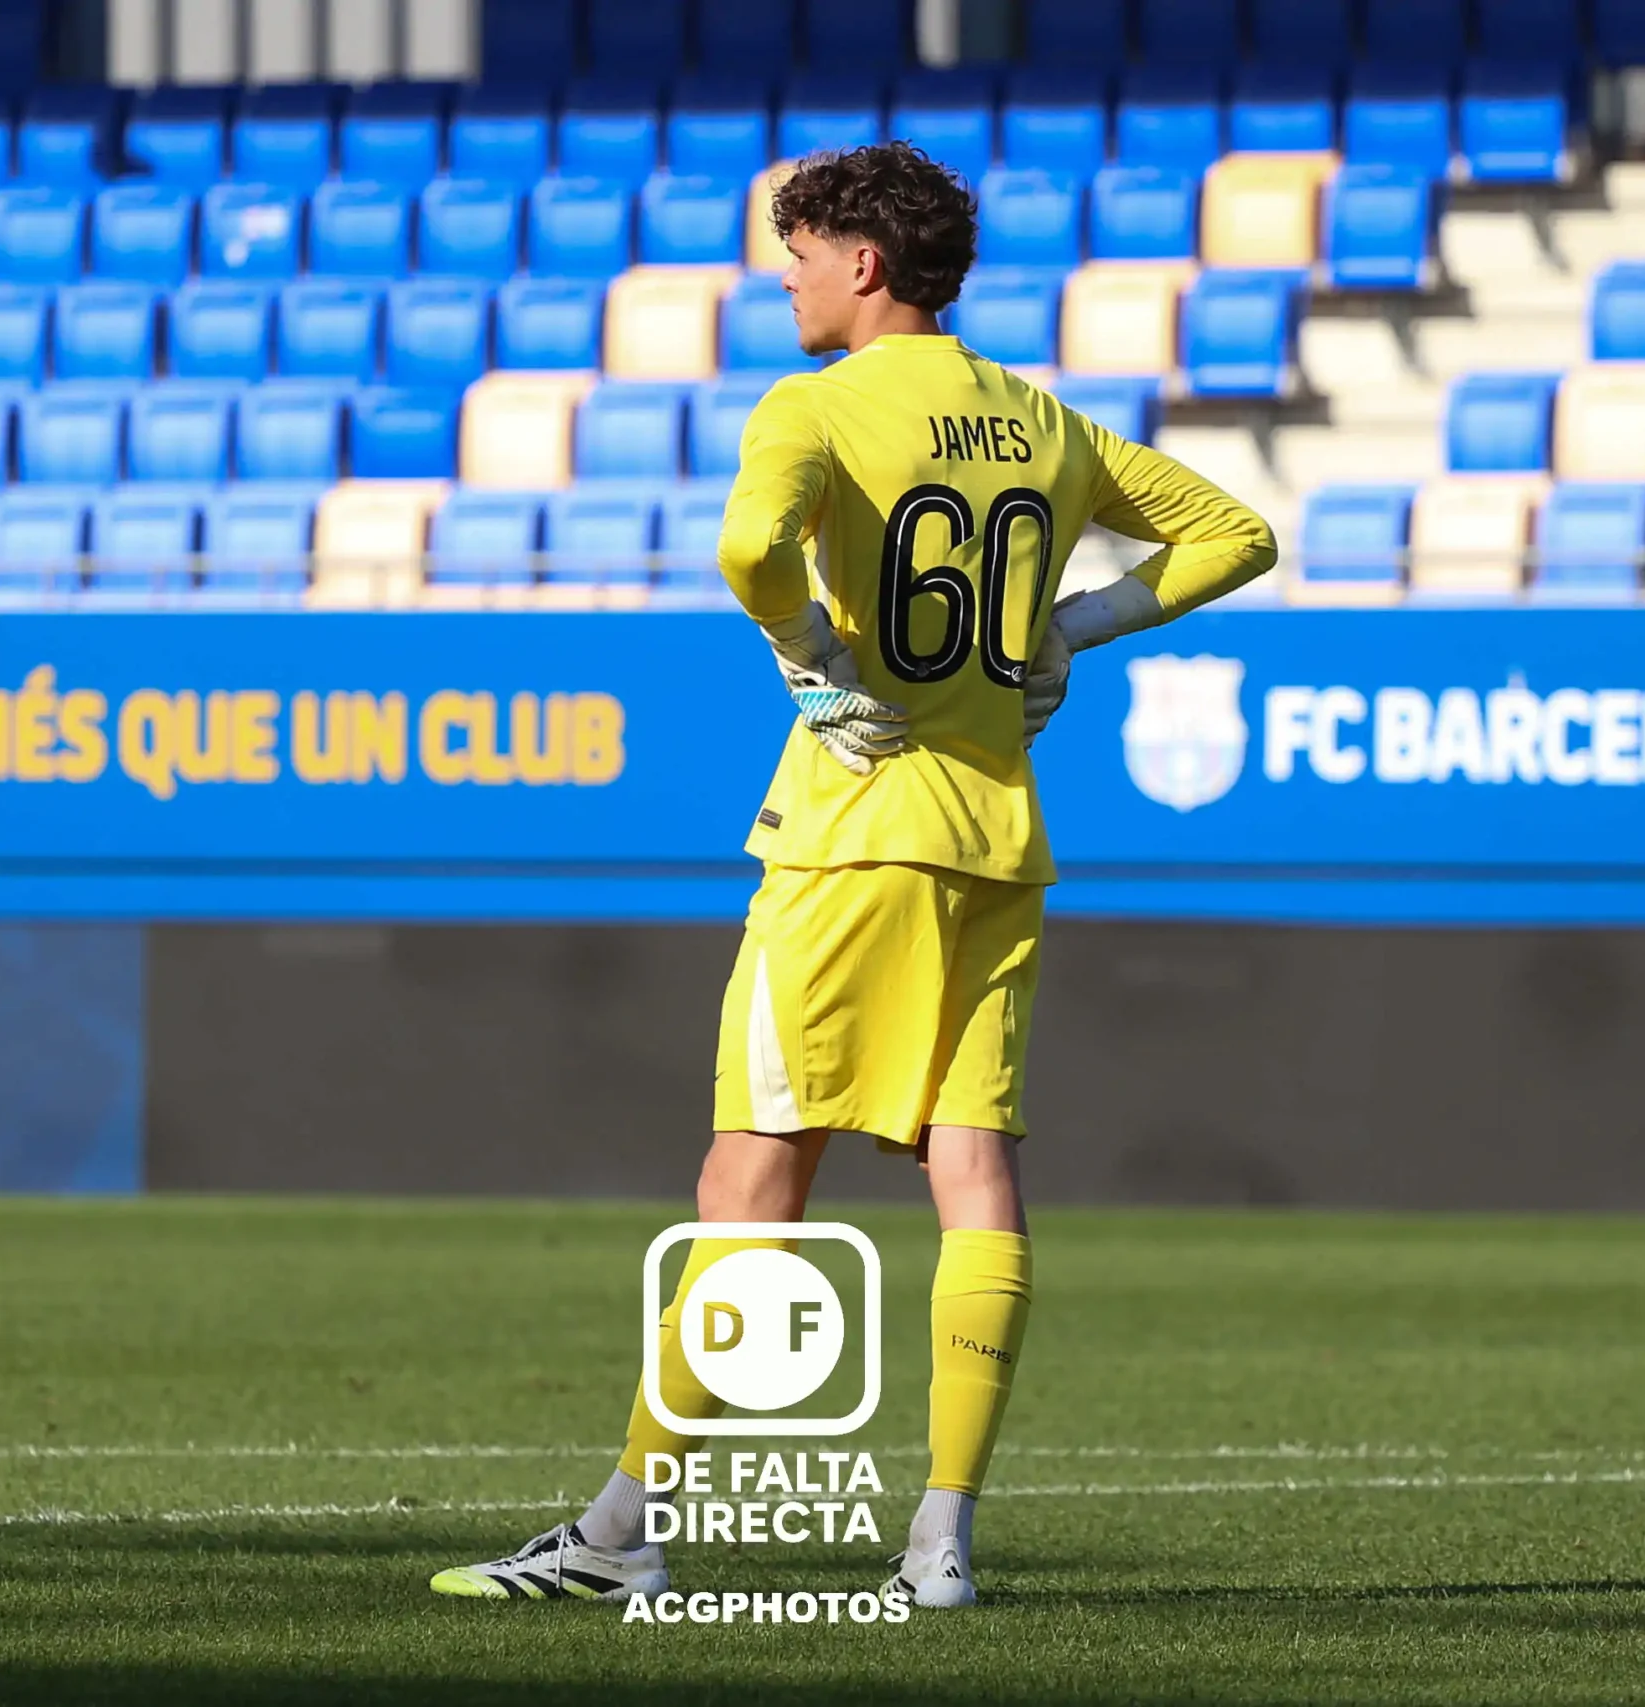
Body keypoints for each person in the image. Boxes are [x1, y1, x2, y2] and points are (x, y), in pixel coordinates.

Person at [431, 141, 1278, 1610]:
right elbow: (1238, 535)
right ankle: (941, 1540)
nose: (786, 277)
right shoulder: (1038, 421)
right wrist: (1073, 627)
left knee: (753, 1173)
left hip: (849, 835)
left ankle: (625, 1528)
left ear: (864, 265)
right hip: (996, 840)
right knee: (974, 1176)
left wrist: (813, 656)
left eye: (801, 253)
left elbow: (753, 545)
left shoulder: (816, 405)